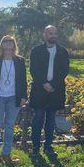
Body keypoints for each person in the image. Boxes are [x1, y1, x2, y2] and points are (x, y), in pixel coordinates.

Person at [0, 35, 27, 164]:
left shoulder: (20, 61)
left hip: (14, 97)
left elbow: (23, 81)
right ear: (1, 44)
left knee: (9, 126)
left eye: (11, 41)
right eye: (5, 41)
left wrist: (24, 96)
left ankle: (6, 154)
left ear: (14, 45)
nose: (8, 43)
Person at [28, 25, 70, 156]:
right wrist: (44, 83)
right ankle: (35, 147)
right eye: (50, 33)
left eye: (55, 33)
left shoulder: (63, 52)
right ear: (44, 35)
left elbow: (64, 70)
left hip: (55, 91)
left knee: (51, 120)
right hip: (39, 91)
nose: (53, 36)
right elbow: (33, 69)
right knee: (38, 119)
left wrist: (52, 84)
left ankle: (48, 146)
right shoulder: (36, 51)